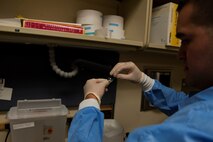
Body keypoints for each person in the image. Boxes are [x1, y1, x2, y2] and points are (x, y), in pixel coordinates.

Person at [68, 0, 213, 141]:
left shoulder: (187, 130)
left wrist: (90, 101)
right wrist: (144, 80)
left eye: (186, 40)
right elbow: (187, 104)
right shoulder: (204, 106)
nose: (179, 54)